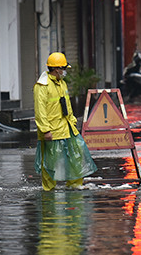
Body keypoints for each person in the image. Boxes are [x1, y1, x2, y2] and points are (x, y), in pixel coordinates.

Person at [34, 52, 97, 190]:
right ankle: (49, 191)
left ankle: (75, 185)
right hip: (52, 131)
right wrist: (46, 130)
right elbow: (40, 112)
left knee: (77, 156)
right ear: (57, 69)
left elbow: (67, 105)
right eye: (64, 68)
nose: (65, 71)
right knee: (51, 163)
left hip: (67, 128)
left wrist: (73, 121)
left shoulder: (61, 84)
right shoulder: (42, 86)